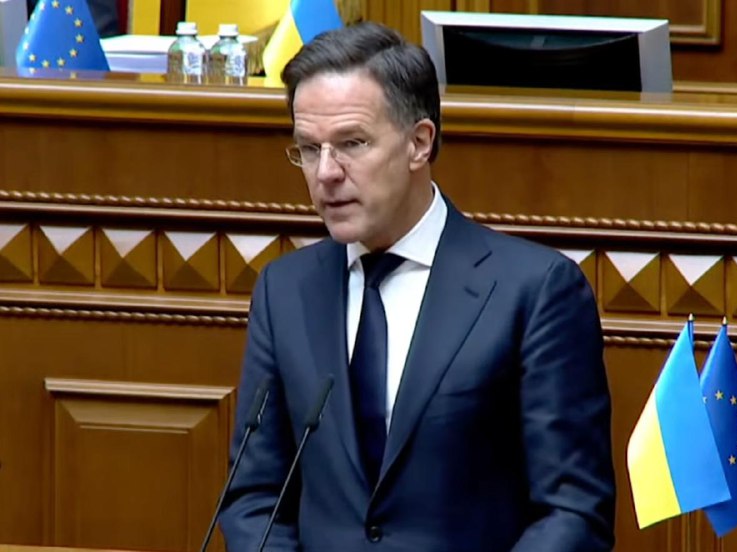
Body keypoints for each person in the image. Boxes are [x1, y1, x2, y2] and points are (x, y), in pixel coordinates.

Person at [219, 21, 615, 552]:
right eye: (309, 149)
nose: (326, 173)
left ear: (419, 143)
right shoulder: (284, 290)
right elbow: (254, 499)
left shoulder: (534, 291)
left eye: (352, 143)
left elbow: (573, 513)